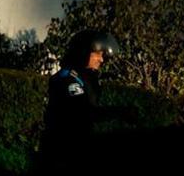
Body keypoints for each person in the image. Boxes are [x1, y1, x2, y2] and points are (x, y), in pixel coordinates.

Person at [38, 30, 124, 171]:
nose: (101, 59)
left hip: (77, 151)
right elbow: (85, 112)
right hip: (62, 154)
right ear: (83, 53)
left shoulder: (84, 78)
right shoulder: (68, 79)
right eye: (97, 54)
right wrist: (121, 112)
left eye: (102, 55)